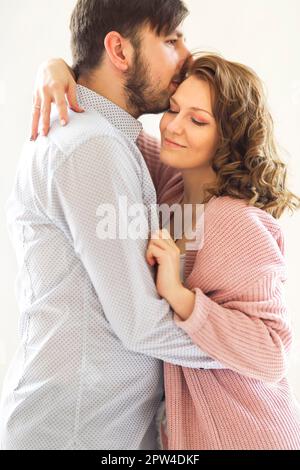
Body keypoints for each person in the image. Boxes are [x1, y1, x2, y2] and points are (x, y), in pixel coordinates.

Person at [32, 52, 300, 449]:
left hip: (246, 434)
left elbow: (271, 352)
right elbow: (116, 124)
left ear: (228, 136)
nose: (173, 126)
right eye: (174, 109)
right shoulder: (172, 182)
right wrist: (56, 69)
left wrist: (180, 295)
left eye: (198, 120)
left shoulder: (237, 222)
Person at [0, 0, 226, 451]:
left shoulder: (110, 137)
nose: (187, 56)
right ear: (120, 52)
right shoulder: (91, 146)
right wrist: (244, 350)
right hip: (76, 433)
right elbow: (140, 324)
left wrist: (56, 66)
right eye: (170, 40)